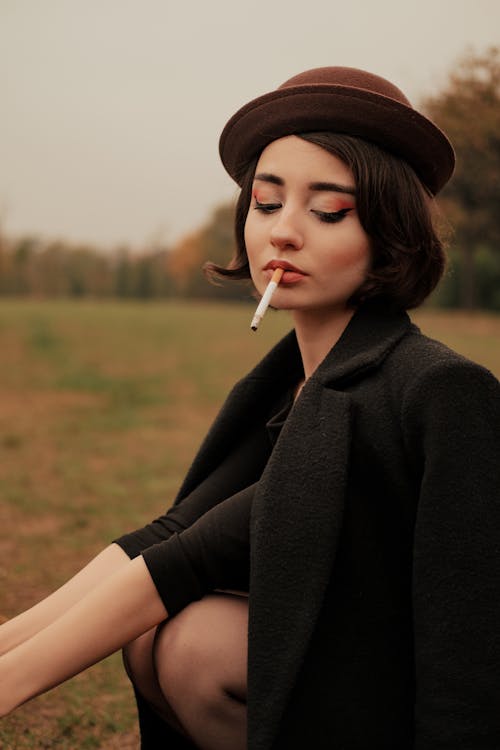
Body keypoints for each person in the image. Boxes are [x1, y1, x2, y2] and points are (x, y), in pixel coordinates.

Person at [0, 66, 499, 750]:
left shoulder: (439, 388)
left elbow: (467, 643)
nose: (284, 233)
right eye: (266, 204)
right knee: (155, 635)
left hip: (401, 703)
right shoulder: (287, 384)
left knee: (194, 640)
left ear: (391, 229)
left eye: (328, 210)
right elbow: (173, 531)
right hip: (335, 676)